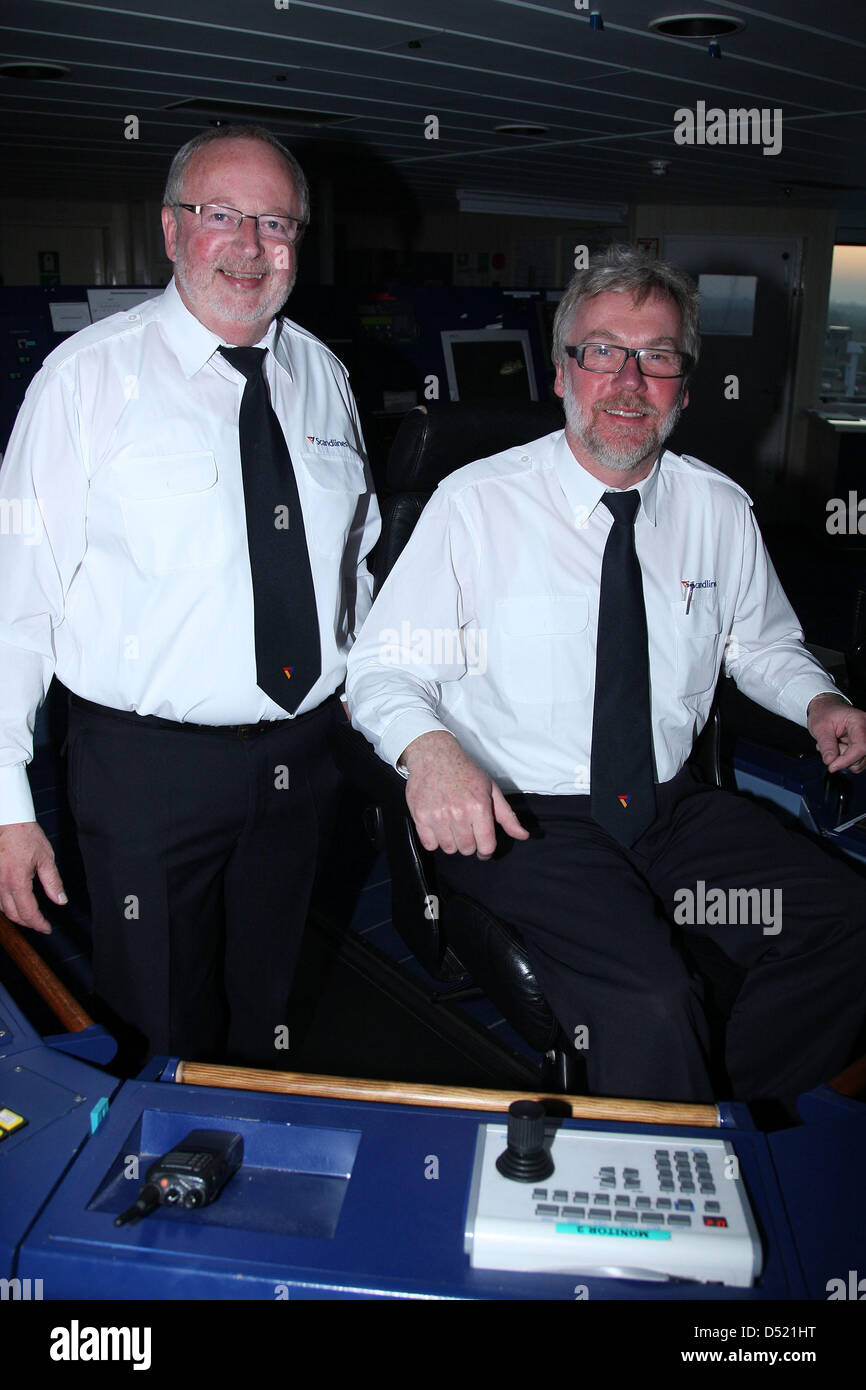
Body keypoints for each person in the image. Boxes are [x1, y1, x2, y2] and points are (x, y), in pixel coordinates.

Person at [345, 245, 866, 1114]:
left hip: (667, 808)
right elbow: (383, 669)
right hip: (523, 817)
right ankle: (673, 1199)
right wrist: (429, 750)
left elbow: (759, 644)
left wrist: (817, 697)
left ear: (685, 386)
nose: (629, 380)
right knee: (654, 1003)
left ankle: (721, 1115)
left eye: (657, 356)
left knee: (848, 925)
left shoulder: (718, 510)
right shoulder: (475, 506)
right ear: (562, 374)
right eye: (602, 352)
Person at [0, 125, 379, 1066]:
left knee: (274, 1004)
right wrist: (7, 805)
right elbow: (17, 598)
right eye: (222, 216)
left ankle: (252, 1163)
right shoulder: (86, 380)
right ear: (171, 232)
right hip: (146, 772)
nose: (250, 245)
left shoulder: (324, 378)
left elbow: (355, 573)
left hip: (302, 754)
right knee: (158, 1020)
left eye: (276, 222)